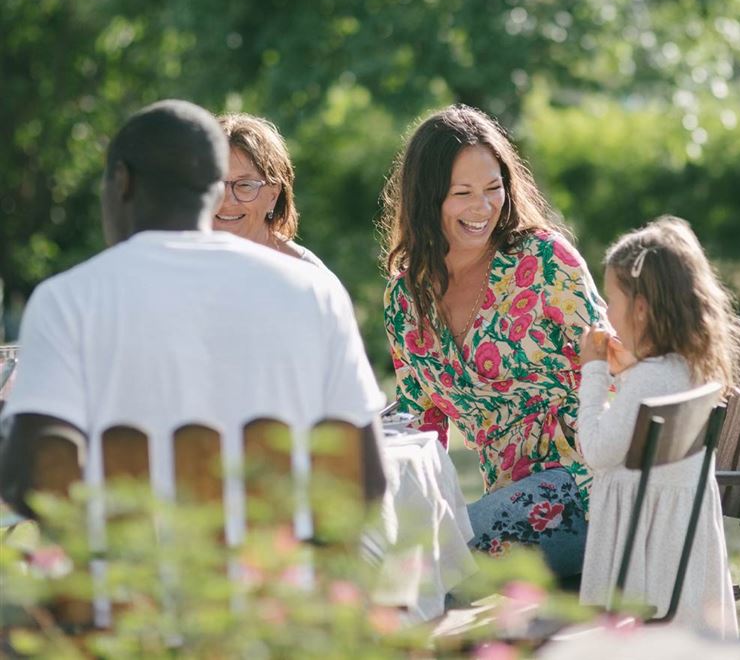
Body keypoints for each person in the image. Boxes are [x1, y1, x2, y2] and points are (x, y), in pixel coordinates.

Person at [0, 100, 385, 526]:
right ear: (210, 186)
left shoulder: (66, 300)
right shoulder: (313, 290)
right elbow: (366, 478)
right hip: (277, 582)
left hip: (125, 583)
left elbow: (26, 483)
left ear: (122, 182)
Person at [380, 104, 608, 580]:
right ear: (426, 198)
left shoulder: (543, 260)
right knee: (391, 560)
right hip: (510, 503)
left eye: (493, 188)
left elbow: (610, 364)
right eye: (462, 193)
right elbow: (422, 426)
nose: (483, 207)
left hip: (591, 485)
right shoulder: (406, 298)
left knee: (434, 570)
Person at [577, 215, 740, 637]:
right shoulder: (687, 368)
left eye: (610, 300)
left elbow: (596, 451)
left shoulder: (650, 380)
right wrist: (628, 374)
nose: (605, 312)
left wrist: (594, 372)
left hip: (641, 549)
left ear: (641, 309)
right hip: (675, 544)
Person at [214, 112, 326, 268]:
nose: (227, 200)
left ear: (274, 195)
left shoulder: (307, 276)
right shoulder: (174, 263)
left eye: (245, 185)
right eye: (214, 182)